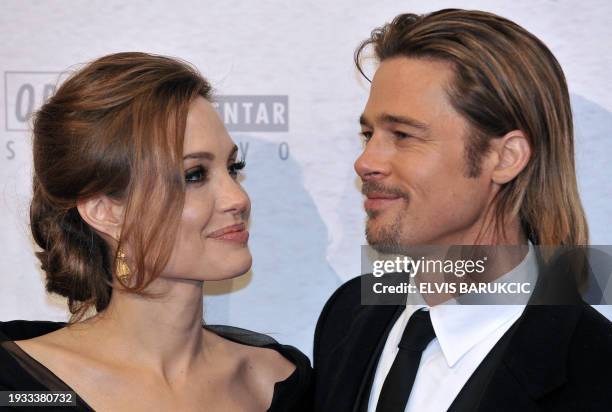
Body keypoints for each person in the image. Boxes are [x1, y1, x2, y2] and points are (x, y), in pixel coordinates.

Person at [313, 9, 612, 412]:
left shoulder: (596, 374)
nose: (366, 161)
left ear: (505, 157)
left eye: (402, 135)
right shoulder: (348, 314)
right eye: (368, 134)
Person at [0, 52, 312, 411]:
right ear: (104, 210)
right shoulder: (22, 388)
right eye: (193, 175)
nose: (238, 198)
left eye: (233, 167)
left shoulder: (278, 382)